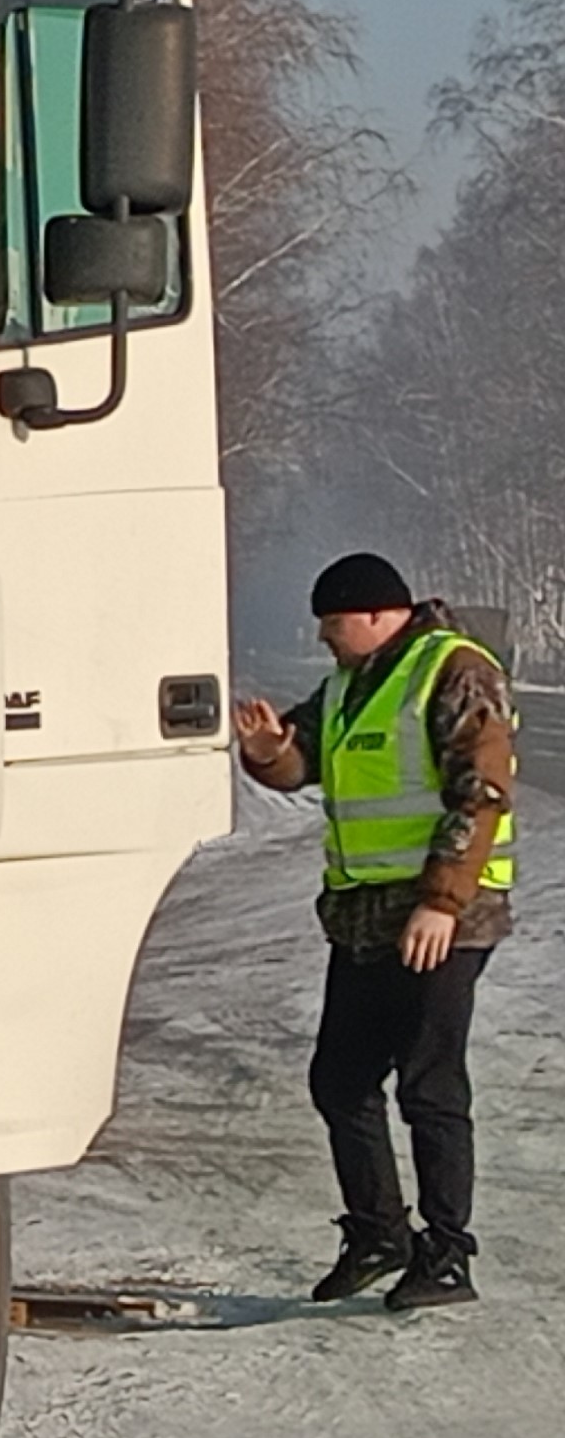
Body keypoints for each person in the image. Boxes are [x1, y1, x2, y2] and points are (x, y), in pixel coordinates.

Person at [232, 551, 517, 1312]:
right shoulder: (354, 682)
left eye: (331, 623)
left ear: (373, 613)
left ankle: (448, 1253)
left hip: (442, 916)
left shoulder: (453, 669)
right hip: (365, 916)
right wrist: (270, 753)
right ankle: (379, 1235)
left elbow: (480, 789)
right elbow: (306, 759)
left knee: (429, 1083)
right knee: (342, 1079)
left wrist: (443, 900)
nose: (323, 636)